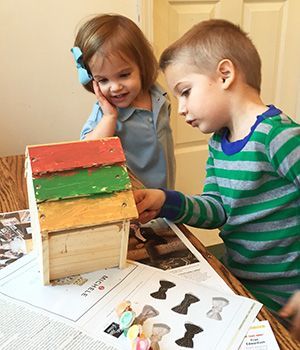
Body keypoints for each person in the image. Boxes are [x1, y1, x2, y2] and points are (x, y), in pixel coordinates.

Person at [133, 19, 300, 334]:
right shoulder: (218, 144)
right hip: (243, 284)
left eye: (185, 92)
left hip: (288, 297)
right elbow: (218, 209)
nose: (180, 108)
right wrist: (165, 200)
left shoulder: (279, 137)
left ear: (225, 74)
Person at [71, 14, 175, 189]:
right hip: (131, 200)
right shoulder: (105, 112)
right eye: (103, 80)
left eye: (124, 75)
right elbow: (87, 152)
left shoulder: (157, 94)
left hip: (164, 192)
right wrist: (109, 119)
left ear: (141, 66)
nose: (115, 87)